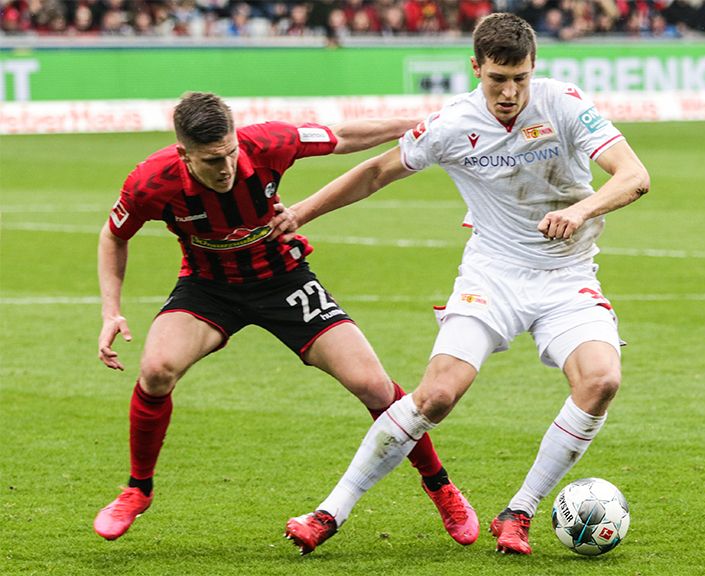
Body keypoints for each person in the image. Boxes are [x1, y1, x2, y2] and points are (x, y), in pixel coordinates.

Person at [277, 12, 650, 556]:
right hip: (491, 277)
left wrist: (582, 208)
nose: (509, 92)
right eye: (497, 78)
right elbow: (376, 172)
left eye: (520, 78)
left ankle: (518, 513)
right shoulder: (453, 123)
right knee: (436, 396)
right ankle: (329, 512)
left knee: (600, 382)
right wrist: (302, 213)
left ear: (534, 68)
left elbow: (634, 175)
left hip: (567, 275)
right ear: (475, 68)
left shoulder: (564, 103)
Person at [93, 92, 478, 547]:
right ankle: (137, 490)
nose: (227, 166)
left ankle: (441, 487)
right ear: (184, 155)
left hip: (283, 280)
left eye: (231, 152)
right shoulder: (151, 182)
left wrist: (423, 121)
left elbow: (344, 136)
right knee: (156, 370)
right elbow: (113, 236)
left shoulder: (269, 142)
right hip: (207, 289)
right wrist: (111, 310)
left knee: (374, 386)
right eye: (213, 160)